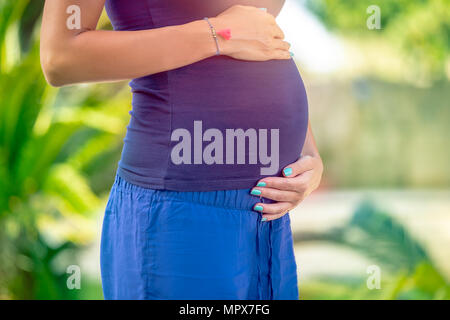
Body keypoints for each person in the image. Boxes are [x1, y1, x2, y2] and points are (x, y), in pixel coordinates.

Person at [40, 0, 323, 300]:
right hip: (180, 211)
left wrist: (307, 152)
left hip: (268, 216)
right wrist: (216, 34)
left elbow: (261, 37)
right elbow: (60, 56)